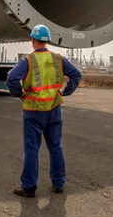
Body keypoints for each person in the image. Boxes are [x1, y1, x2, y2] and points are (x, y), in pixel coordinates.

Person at [6, 24, 82, 198]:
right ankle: (58, 183)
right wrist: (66, 91)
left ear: (33, 40)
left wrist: (19, 94)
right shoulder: (59, 59)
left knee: (31, 148)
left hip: (34, 111)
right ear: (47, 41)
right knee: (55, 146)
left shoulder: (28, 61)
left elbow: (11, 78)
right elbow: (76, 75)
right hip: (54, 109)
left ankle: (29, 187)